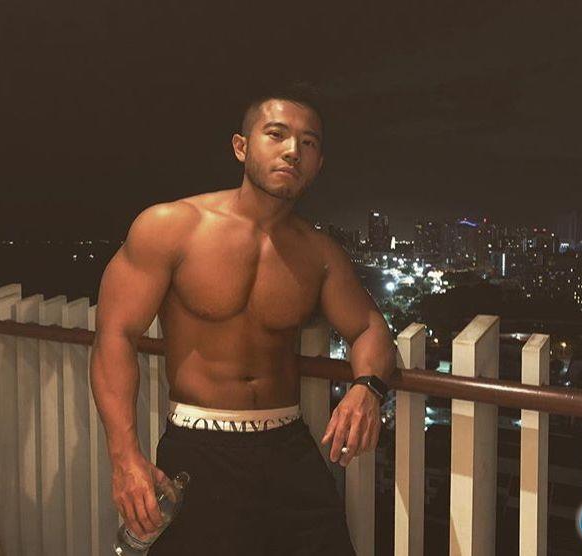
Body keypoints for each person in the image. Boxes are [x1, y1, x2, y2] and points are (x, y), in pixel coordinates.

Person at [89, 83, 396, 555]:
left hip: (289, 449)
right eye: (276, 134)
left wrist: (367, 388)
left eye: (308, 142)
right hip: (198, 449)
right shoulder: (171, 227)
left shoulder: (319, 253)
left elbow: (370, 327)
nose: (292, 150)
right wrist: (125, 457)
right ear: (241, 147)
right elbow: (115, 334)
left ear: (318, 164)